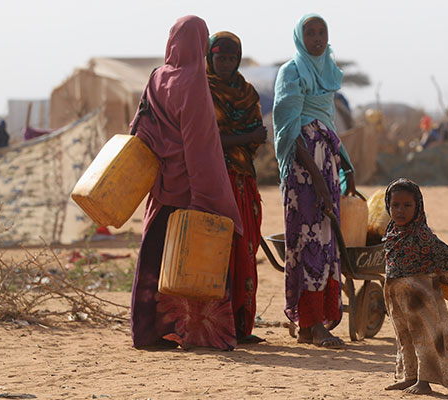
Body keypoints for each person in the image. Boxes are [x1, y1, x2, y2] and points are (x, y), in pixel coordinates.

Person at [129, 15, 244, 351]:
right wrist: (207, 197)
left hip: (160, 186)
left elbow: (139, 127)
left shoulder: (156, 77)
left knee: (153, 258)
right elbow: (199, 145)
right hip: (189, 189)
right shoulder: (193, 82)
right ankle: (199, 333)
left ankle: (148, 332)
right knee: (196, 261)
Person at [273, 13, 361, 349]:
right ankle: (312, 322)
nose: (317, 39)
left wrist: (346, 167)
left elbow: (329, 126)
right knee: (307, 244)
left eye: (322, 32)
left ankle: (314, 324)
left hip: (326, 167)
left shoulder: (328, 70)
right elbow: (289, 131)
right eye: (310, 33)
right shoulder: (291, 72)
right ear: (299, 37)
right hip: (303, 173)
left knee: (327, 245)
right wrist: (318, 182)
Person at [206, 31, 267, 344]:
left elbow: (260, 133)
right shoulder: (203, 91)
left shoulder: (246, 91)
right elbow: (207, 137)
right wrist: (246, 138)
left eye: (231, 58)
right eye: (220, 57)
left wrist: (247, 139)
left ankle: (242, 326)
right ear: (210, 57)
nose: (226, 64)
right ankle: (218, 324)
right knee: (220, 251)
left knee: (246, 249)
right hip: (215, 181)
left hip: (244, 176)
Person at [382, 178, 448, 394]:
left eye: (407, 205)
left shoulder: (421, 233)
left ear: (418, 207)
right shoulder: (392, 232)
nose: (400, 210)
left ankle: (424, 381)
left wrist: (443, 276)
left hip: (419, 297)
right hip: (397, 295)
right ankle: (410, 376)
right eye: (395, 205)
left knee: (423, 337)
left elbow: (444, 251)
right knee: (404, 336)